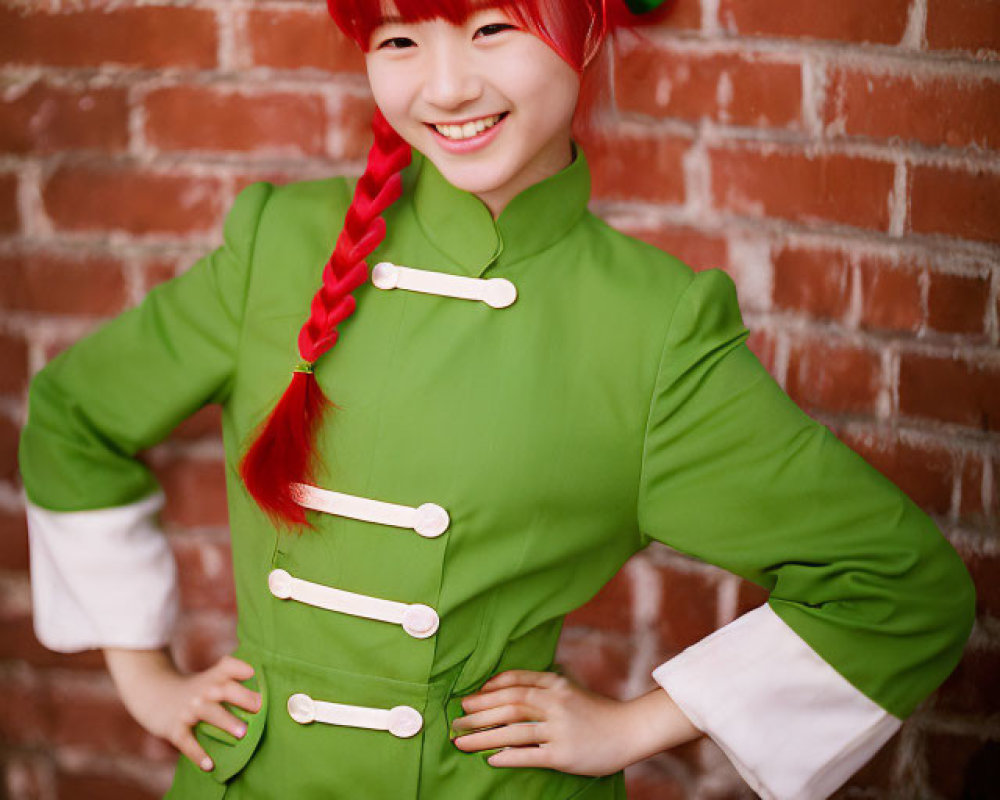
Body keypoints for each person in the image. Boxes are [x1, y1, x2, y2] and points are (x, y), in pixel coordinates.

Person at [16, 1, 976, 798]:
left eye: (489, 29)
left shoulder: (654, 325)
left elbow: (898, 586)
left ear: (589, 29)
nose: (444, 88)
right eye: (399, 39)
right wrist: (141, 674)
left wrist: (638, 725)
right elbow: (75, 414)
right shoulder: (280, 243)